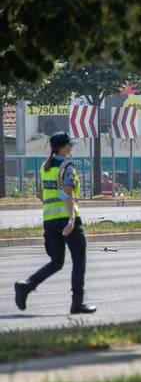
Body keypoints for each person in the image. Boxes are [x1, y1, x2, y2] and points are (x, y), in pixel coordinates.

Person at [14, 132, 96, 314]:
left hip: (50, 220)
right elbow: (67, 193)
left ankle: (26, 286)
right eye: (69, 145)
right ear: (62, 147)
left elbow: (41, 195)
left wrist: (56, 200)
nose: (71, 147)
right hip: (67, 219)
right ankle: (77, 303)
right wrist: (71, 219)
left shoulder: (45, 167)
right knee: (79, 260)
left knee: (57, 262)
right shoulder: (67, 166)